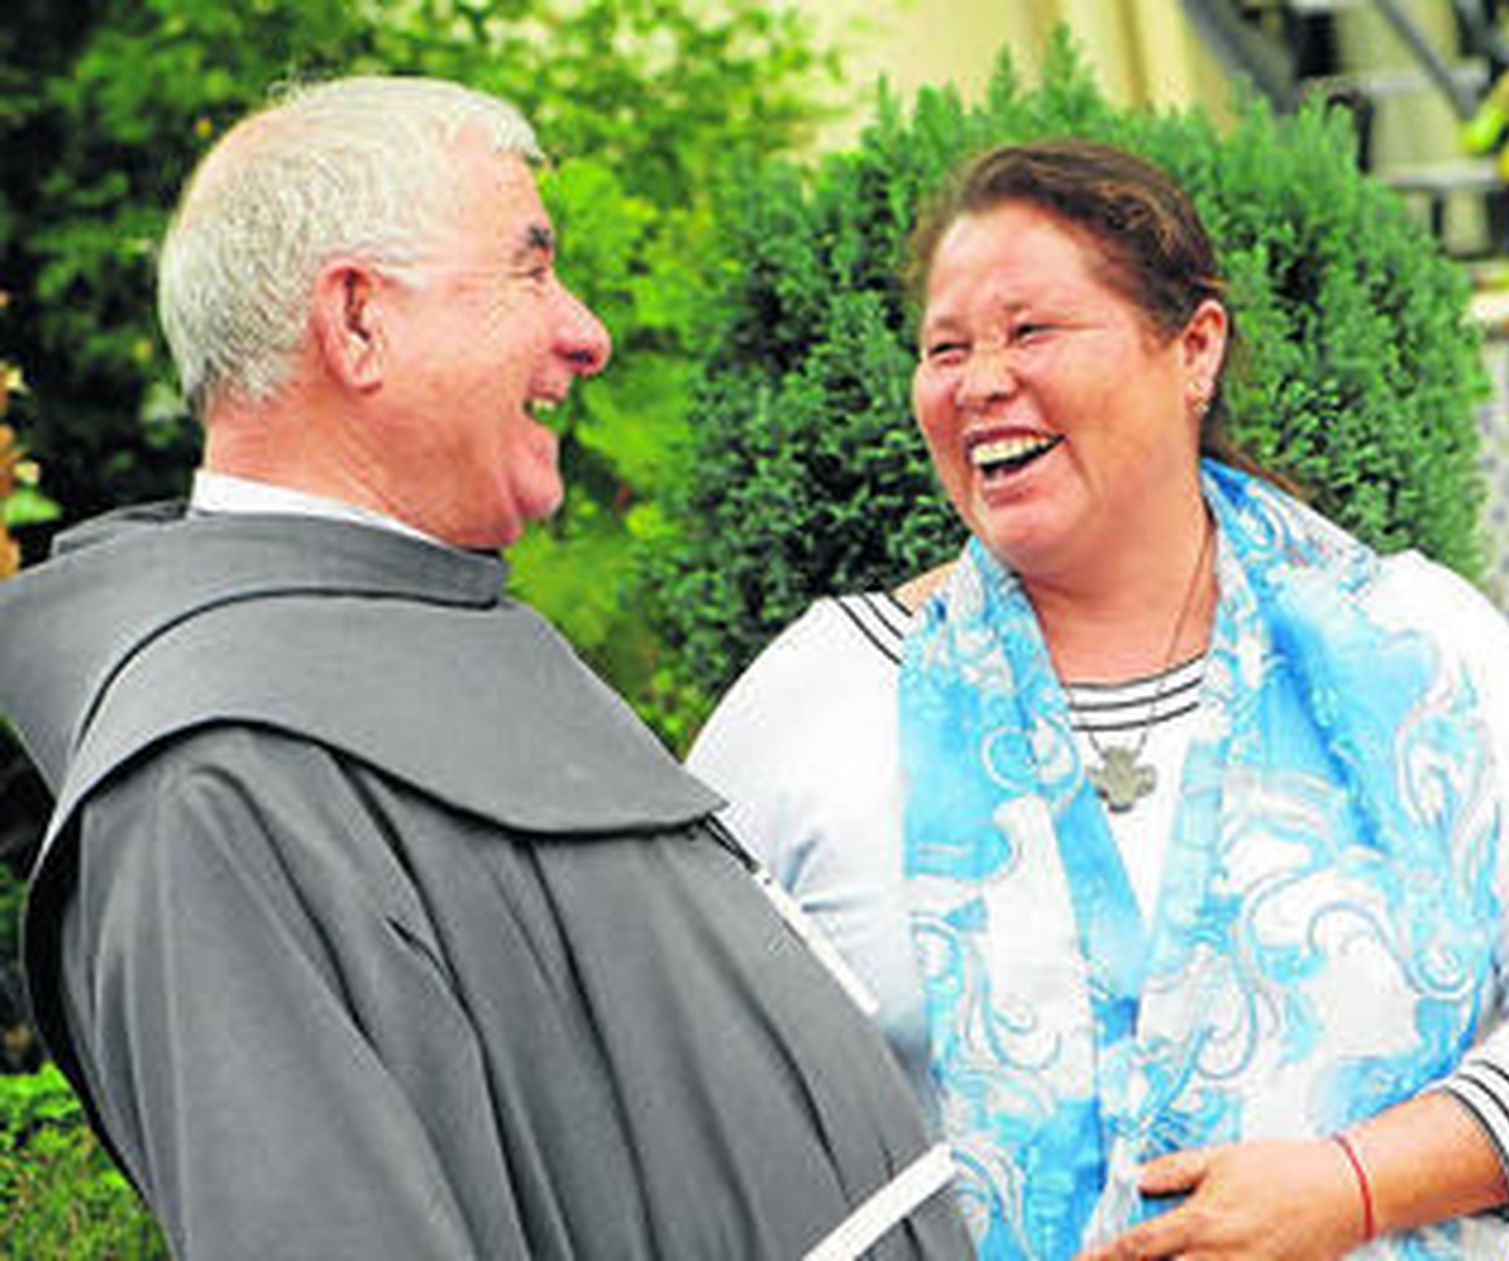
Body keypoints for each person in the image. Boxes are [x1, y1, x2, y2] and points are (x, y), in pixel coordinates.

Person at [0, 76, 974, 1260]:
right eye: (529, 270)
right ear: (357, 321)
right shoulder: (213, 782)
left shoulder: (431, 635)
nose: (586, 332)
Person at [688, 139, 1509, 1258]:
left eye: (1029, 331)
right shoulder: (824, 694)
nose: (978, 382)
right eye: (943, 347)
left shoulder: (1420, 649)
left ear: (1195, 348)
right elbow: (678, 1082)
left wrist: (1353, 1185)